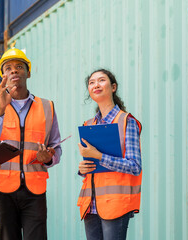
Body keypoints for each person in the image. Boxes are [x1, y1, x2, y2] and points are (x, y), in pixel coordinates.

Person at [0, 48, 62, 240]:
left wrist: (49, 158)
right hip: (2, 189)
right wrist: (0, 110)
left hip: (35, 190)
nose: (14, 71)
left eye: (19, 67)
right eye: (8, 68)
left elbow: (56, 147)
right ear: (3, 75)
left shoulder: (47, 107)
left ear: (28, 72)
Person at [77, 69, 142, 240]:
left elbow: (135, 166)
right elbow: (93, 167)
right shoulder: (88, 124)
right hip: (90, 205)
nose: (96, 85)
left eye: (101, 80)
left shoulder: (127, 122)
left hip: (116, 204)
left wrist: (99, 156)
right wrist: (83, 168)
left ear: (113, 87)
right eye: (91, 82)